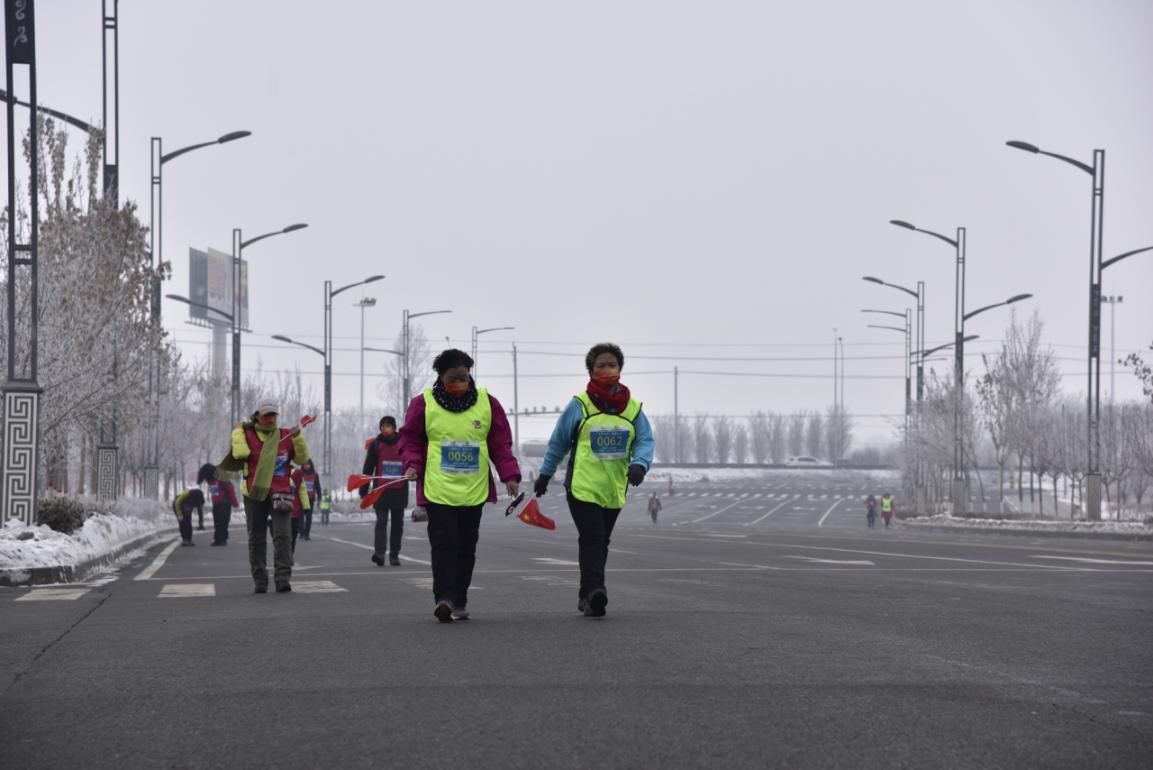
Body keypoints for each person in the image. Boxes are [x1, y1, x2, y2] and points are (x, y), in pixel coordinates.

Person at [399, 349, 521, 623]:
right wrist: (412, 464)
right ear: (441, 378)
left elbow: (500, 444)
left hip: (473, 488)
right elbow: (409, 440)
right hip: (438, 488)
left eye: (463, 377)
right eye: (453, 378)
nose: (459, 383)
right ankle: (444, 598)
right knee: (444, 543)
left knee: (466, 545)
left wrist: (509, 475)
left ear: (470, 376)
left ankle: (460, 599)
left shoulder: (488, 404)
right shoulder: (424, 403)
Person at [535, 343, 655, 618]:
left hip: (614, 487)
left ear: (620, 369)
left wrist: (640, 464)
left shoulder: (634, 409)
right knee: (592, 538)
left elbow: (645, 440)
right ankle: (595, 591)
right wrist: (545, 474)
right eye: (600, 365)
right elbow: (559, 442)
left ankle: (585, 594)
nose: (607, 369)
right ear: (590, 370)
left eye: (612, 364)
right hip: (582, 486)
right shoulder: (579, 405)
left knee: (602, 541)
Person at [229, 400, 309, 594]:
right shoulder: (247, 435)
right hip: (254, 492)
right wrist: (237, 432)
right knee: (256, 537)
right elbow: (240, 453)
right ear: (257, 416)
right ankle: (260, 580)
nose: (270, 418)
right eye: (266, 415)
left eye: (273, 415)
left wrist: (298, 438)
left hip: (280, 492)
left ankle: (282, 579)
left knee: (283, 536)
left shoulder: (285, 435)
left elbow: (301, 459)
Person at [361, 415, 408, 566]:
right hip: (380, 490)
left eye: (388, 425)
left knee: (397, 524)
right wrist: (364, 490)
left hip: (399, 490)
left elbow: (410, 461)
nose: (385, 428)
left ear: (394, 427)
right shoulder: (376, 444)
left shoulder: (404, 443)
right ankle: (379, 554)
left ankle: (394, 555)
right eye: (382, 426)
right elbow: (368, 468)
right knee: (381, 521)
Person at [199, 464, 240, 546]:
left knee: (222, 521)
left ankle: (222, 539)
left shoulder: (221, 476)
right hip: (216, 503)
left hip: (225, 503)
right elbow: (215, 492)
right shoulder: (211, 479)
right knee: (217, 521)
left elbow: (230, 489)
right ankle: (218, 539)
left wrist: (235, 503)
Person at [298, 459, 320, 541]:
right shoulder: (300, 473)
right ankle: (301, 532)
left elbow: (318, 487)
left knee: (309, 517)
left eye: (308, 464)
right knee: (300, 516)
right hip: (301, 498)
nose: (306, 466)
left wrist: (319, 498)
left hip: (311, 498)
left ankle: (307, 534)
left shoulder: (315, 475)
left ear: (311, 465)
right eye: (305, 464)